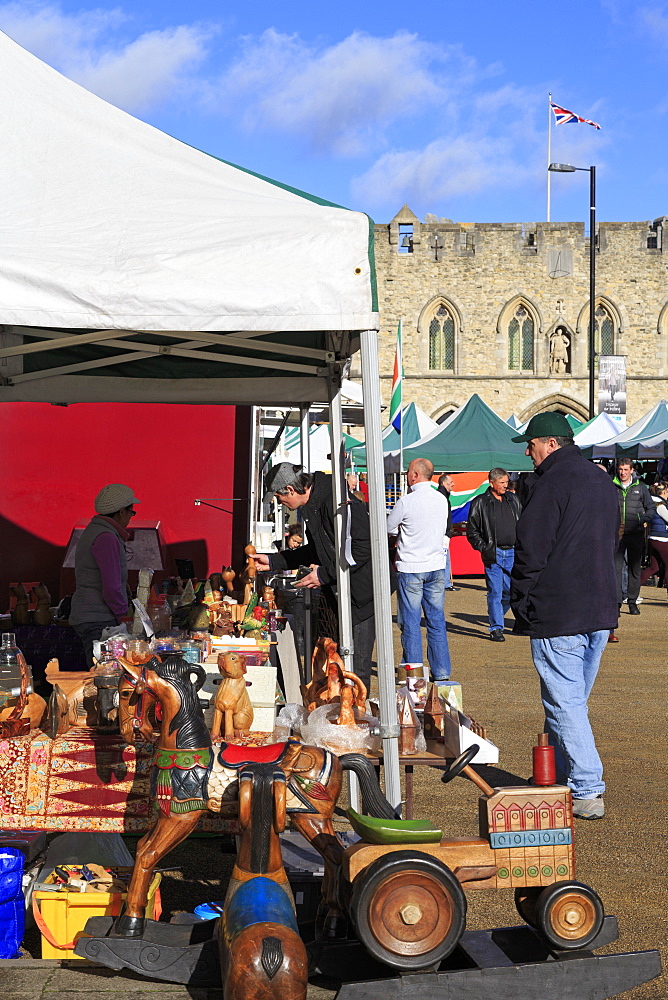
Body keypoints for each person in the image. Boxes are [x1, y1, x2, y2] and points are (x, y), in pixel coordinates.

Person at [510, 412, 619, 820]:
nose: (528, 450)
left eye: (532, 444)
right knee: (568, 700)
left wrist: (520, 600)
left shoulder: (551, 482)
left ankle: (588, 786)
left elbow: (531, 548)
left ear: (550, 444)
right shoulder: (602, 481)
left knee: (565, 702)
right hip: (598, 607)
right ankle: (553, 776)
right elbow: (612, 545)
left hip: (561, 608)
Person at [255, 463, 375, 691]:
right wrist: (274, 561)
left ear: (290, 489)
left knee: (356, 668)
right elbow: (316, 550)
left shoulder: (334, 499)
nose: (281, 503)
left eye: (280, 497)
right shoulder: (314, 504)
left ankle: (358, 718)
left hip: (361, 593)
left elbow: (363, 547)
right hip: (340, 590)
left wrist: (324, 573)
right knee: (337, 663)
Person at [387, 458, 451, 680]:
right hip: (435, 565)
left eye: (407, 472)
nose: (406, 475)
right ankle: (441, 671)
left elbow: (389, 527)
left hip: (412, 566)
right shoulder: (441, 499)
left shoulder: (406, 501)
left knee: (411, 623)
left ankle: (414, 674)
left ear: (415, 474)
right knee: (436, 620)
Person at [69, 483, 139, 668]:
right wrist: (123, 615)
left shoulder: (96, 530)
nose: (131, 518)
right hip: (98, 617)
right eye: (132, 512)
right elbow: (111, 585)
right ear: (122, 511)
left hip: (90, 614)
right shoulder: (106, 537)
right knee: (103, 676)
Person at [466, 468, 522, 641]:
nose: (506, 486)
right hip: (494, 554)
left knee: (512, 591)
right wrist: (485, 547)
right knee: (495, 592)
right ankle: (496, 628)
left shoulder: (513, 499)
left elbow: (524, 521)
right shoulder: (480, 502)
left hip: (513, 552)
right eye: (502, 483)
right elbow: (472, 531)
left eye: (507, 482)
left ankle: (501, 618)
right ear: (492, 483)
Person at [613, 458, 655, 618]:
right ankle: (616, 604)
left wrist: (641, 519)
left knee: (634, 569)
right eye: (620, 469)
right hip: (617, 534)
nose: (622, 472)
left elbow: (651, 508)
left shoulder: (641, 487)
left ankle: (632, 602)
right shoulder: (612, 485)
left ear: (632, 470)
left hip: (635, 533)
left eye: (625, 469)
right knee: (616, 570)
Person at [639, 480, 668, 593]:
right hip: (662, 539)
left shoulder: (652, 502)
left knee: (654, 568)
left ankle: (631, 590)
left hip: (653, 538)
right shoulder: (660, 504)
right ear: (664, 491)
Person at [437, 473, 458, 591]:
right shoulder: (441, 496)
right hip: (442, 533)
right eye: (451, 482)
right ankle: (444, 583)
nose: (453, 484)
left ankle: (445, 582)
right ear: (444, 483)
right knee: (444, 559)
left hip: (444, 532)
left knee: (445, 559)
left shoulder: (444, 496)